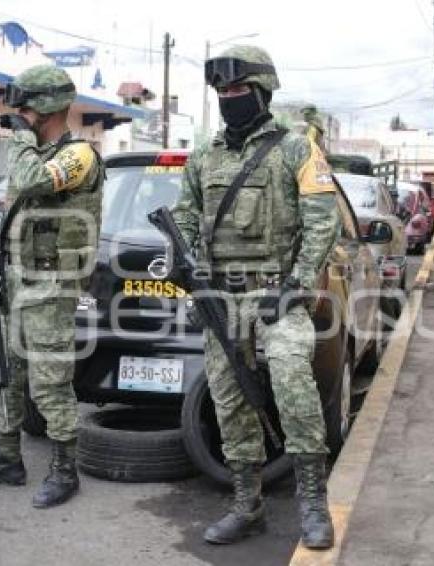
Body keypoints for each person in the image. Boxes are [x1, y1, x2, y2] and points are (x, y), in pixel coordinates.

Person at [172, 45, 340, 549]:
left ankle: (313, 505)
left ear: (263, 91)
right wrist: (188, 259)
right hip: (221, 298)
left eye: (239, 90)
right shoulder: (205, 153)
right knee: (228, 398)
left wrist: (295, 287)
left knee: (291, 380)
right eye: (222, 92)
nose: (229, 98)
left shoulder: (296, 149)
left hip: (277, 294)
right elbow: (184, 211)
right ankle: (247, 506)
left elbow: (322, 221)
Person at [0, 64, 104, 508]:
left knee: (49, 382)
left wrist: (21, 138)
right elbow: (16, 208)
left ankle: (65, 471)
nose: (19, 114)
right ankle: (7, 459)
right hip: (16, 283)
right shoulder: (33, 154)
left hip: (52, 287)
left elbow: (30, 182)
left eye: (25, 106)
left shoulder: (79, 154)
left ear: (48, 106)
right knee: (2, 372)